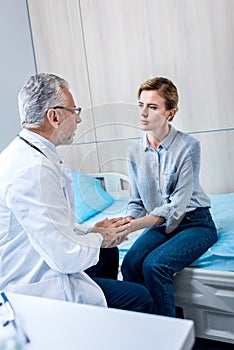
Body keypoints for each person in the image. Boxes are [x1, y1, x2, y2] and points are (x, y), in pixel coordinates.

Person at [0, 73, 153, 314]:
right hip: (34, 287)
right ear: (55, 116)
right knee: (140, 297)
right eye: (75, 110)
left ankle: (97, 322)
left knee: (108, 251)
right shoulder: (33, 170)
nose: (79, 119)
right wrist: (102, 237)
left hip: (46, 258)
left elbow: (56, 226)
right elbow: (64, 254)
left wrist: (95, 231)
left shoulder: (30, 156)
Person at [121, 77, 218, 316]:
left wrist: (136, 226)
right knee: (131, 263)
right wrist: (126, 221)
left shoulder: (188, 146)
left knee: (155, 265)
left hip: (195, 223)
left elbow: (177, 206)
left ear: (170, 113)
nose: (143, 113)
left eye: (152, 107)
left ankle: (167, 336)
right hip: (162, 225)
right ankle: (143, 326)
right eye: (140, 105)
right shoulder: (134, 152)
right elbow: (137, 201)